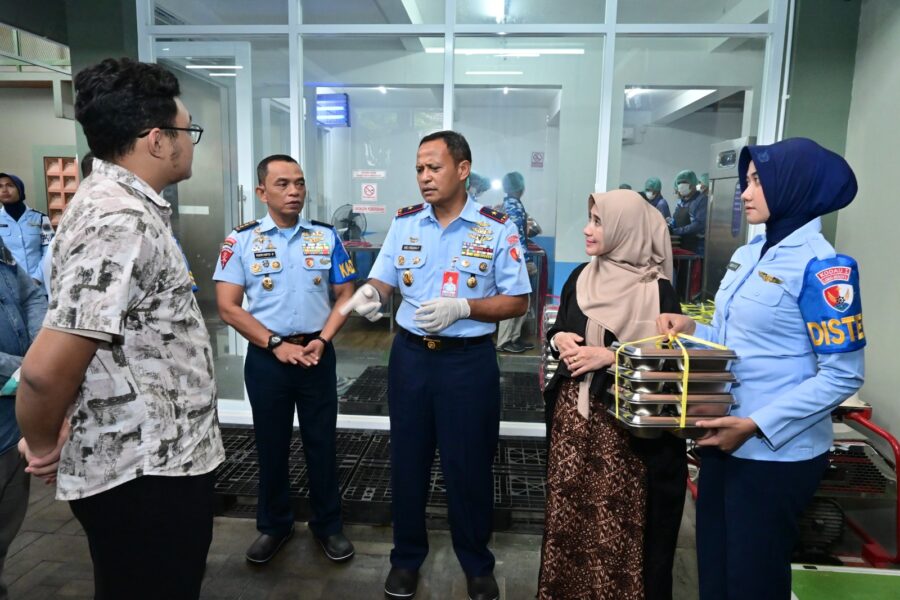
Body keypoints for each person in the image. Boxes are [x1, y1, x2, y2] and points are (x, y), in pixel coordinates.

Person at [15, 57, 224, 600]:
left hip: (158, 460)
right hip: (145, 474)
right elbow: (42, 372)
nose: (191, 144)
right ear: (157, 140)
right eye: (188, 131)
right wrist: (43, 442)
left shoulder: (121, 206)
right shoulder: (118, 221)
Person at [657, 138, 865, 600]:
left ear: (793, 187)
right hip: (723, 438)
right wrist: (693, 326)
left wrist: (755, 425)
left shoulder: (822, 268)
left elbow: (843, 374)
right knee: (715, 568)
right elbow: (735, 338)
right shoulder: (751, 253)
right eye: (746, 181)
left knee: (753, 579)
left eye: (758, 182)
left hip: (775, 455)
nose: (745, 193)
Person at [341, 130, 530, 600]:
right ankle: (406, 558)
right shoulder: (406, 223)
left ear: (463, 170)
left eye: (434, 167)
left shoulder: (496, 227)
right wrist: (371, 294)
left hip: (467, 363)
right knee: (408, 461)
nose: (424, 177)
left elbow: (518, 301)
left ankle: (476, 563)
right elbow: (383, 280)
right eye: (419, 169)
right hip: (410, 359)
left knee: (469, 465)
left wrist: (465, 307)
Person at [538, 190, 685, 600]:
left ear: (626, 229)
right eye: (590, 219)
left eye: (599, 222)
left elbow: (670, 364)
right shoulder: (581, 277)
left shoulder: (657, 291)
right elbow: (561, 329)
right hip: (574, 423)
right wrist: (558, 339)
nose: (588, 230)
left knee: (617, 522)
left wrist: (611, 355)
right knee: (568, 517)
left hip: (625, 433)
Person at [214, 154, 357, 565]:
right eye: (282, 184)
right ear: (262, 192)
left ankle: (328, 525)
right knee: (270, 445)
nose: (294, 191)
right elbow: (228, 306)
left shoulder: (326, 237)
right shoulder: (241, 241)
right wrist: (275, 344)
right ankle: (274, 526)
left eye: (299, 183)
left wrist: (324, 340)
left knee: (322, 444)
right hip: (267, 359)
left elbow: (345, 295)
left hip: (316, 355)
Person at [0, 238, 47, 600]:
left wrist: (39, 349)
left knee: (6, 523)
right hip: (17, 385)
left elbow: (30, 294)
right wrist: (29, 369)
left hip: (11, 425)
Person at [497, 170, 535, 353]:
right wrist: (521, 261)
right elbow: (514, 238)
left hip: (516, 259)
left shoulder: (510, 205)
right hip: (515, 260)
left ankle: (514, 337)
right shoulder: (513, 207)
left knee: (523, 300)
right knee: (513, 301)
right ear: (521, 188)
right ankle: (504, 341)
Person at [0, 172, 53, 286]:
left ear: (20, 189)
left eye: (10, 185)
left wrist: (36, 279)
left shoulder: (41, 218)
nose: (4, 190)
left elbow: (50, 250)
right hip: (9, 287)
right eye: (0, 186)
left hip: (40, 286)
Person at [668, 169, 708, 255]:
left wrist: (676, 231)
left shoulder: (702, 200)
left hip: (696, 245)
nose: (681, 185)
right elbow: (676, 219)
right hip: (682, 243)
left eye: (684, 182)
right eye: (679, 183)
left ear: (693, 184)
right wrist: (669, 225)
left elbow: (698, 224)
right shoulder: (681, 201)